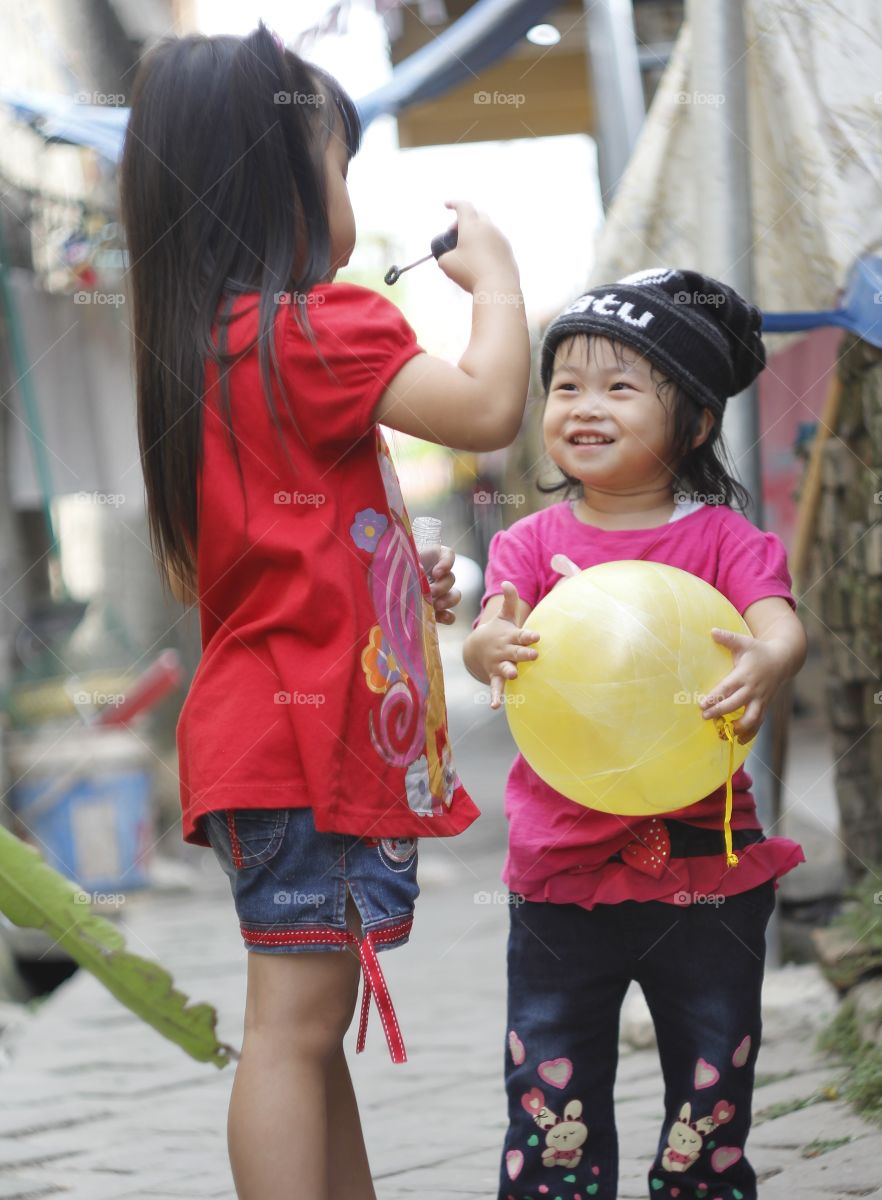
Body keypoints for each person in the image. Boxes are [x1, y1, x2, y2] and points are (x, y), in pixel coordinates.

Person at [119, 23, 529, 1200]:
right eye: (339, 166)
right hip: (304, 748)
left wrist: (401, 584)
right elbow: (492, 404)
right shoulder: (323, 328)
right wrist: (496, 278)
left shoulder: (206, 348)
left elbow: (293, 548)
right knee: (295, 1032)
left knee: (308, 1026)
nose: (347, 194)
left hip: (265, 740)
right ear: (276, 180)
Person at [462, 267, 808, 1200]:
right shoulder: (527, 545)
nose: (584, 406)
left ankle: (699, 1185)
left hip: (707, 865)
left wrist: (773, 658)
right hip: (561, 871)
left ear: (693, 423)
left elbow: (779, 622)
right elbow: (491, 630)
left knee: (713, 1076)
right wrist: (484, 646)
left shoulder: (727, 540)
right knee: (550, 1078)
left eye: (620, 386)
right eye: (566, 386)